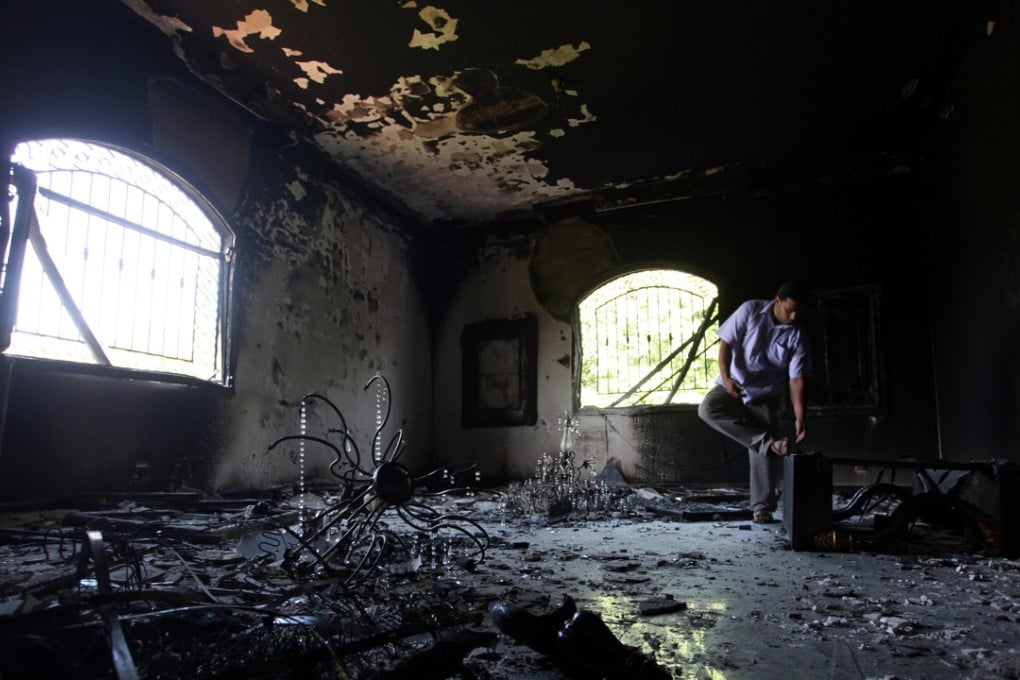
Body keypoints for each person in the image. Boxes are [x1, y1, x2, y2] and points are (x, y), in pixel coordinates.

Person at [698, 280, 810, 524]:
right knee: (707, 409)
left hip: (766, 395)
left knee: (763, 447)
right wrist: (726, 379)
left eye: (798, 312)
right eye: (789, 309)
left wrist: (801, 416)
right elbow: (725, 343)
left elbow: (796, 379)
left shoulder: (797, 334)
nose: (792, 316)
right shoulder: (750, 310)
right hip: (734, 385)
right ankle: (768, 443)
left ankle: (762, 508)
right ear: (777, 301)